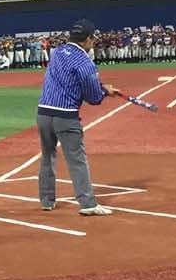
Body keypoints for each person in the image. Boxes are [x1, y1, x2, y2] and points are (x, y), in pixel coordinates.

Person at [36, 19, 124, 216]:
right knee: (76, 159)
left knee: (47, 156)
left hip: (43, 112)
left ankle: (47, 200)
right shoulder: (86, 63)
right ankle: (87, 204)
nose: (94, 42)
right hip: (65, 116)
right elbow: (93, 98)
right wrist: (104, 91)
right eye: (93, 38)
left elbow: (69, 81)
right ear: (87, 39)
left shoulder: (57, 52)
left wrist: (101, 87)